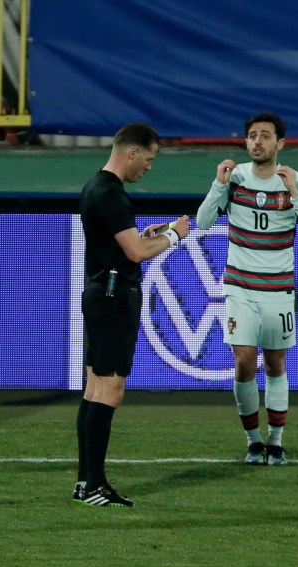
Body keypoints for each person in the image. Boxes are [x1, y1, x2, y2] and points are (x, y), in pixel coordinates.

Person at [197, 112, 298, 467]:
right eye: (252, 135)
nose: (258, 142)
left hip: (279, 289)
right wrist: (218, 185)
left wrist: (295, 193)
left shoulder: (297, 181)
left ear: (280, 144)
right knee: (243, 361)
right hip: (240, 287)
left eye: (265, 136)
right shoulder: (234, 178)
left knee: (275, 362)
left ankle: (277, 441)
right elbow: (204, 222)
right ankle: (253, 441)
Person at [75, 123, 191, 507]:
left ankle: (86, 482)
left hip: (100, 293)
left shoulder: (96, 186)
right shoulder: (112, 194)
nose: (149, 167)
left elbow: (124, 244)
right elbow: (136, 254)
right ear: (132, 154)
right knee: (109, 391)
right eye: (150, 159)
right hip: (113, 298)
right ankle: (93, 485)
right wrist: (175, 235)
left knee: (94, 389)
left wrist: (146, 234)